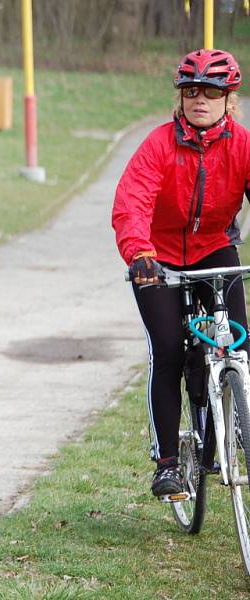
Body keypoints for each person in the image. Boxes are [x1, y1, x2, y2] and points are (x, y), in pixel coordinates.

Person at [112, 48, 250, 499]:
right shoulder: (158, 144)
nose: (200, 100)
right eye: (191, 91)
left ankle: (229, 429)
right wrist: (139, 254)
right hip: (159, 257)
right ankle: (168, 462)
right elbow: (132, 202)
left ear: (229, 99)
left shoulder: (242, 144)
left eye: (211, 92)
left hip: (214, 248)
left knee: (240, 339)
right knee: (169, 349)